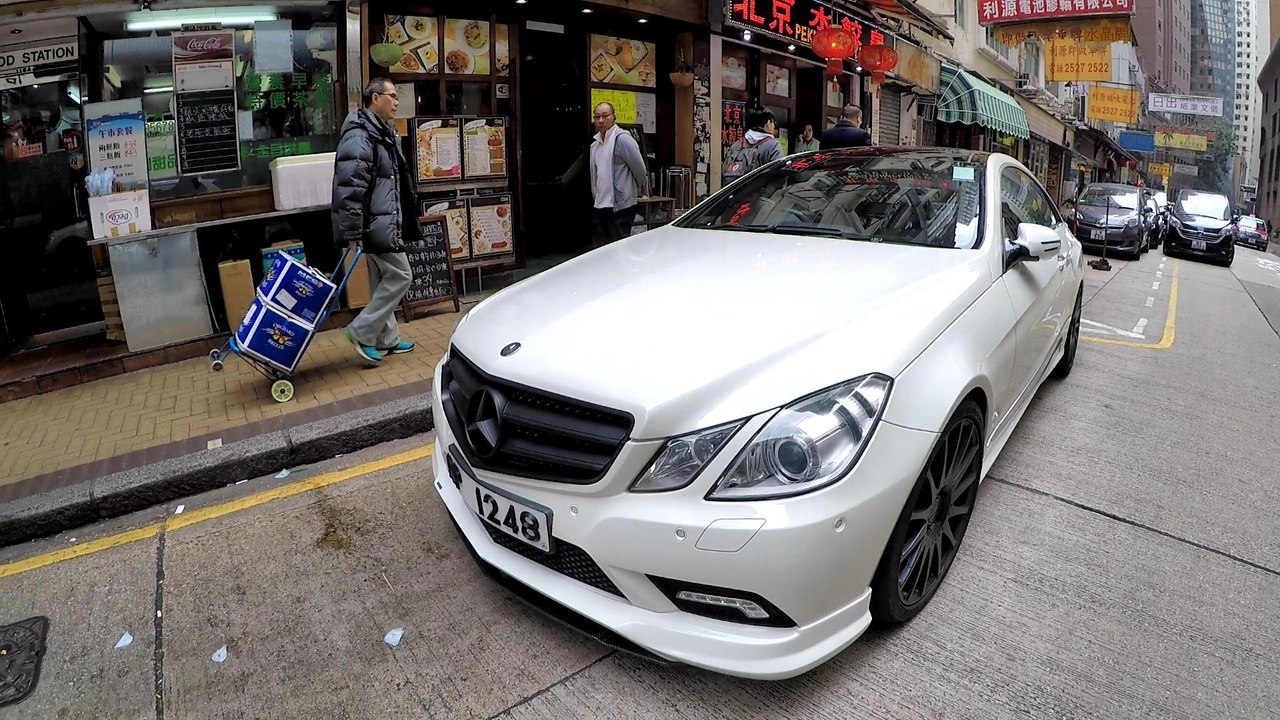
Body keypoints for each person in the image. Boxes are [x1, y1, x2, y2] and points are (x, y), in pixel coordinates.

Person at [331, 78, 420, 366]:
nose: (396, 102)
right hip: (375, 223)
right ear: (375, 98)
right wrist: (353, 229)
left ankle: (386, 339)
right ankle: (362, 331)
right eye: (391, 96)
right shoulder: (361, 135)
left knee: (380, 278)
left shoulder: (380, 131)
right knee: (401, 275)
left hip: (382, 220)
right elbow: (350, 186)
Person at [589, 102, 649, 243]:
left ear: (613, 117)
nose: (601, 120)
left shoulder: (623, 139)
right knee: (600, 248)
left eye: (605, 116)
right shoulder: (595, 144)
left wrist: (635, 190)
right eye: (597, 117)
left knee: (619, 247)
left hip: (620, 205)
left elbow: (640, 169)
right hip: (600, 204)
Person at [723, 108, 783, 183]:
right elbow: (778, 176)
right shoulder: (773, 145)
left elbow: (725, 170)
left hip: (734, 193)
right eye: (773, 122)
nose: (774, 127)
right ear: (768, 122)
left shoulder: (737, 144)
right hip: (759, 193)